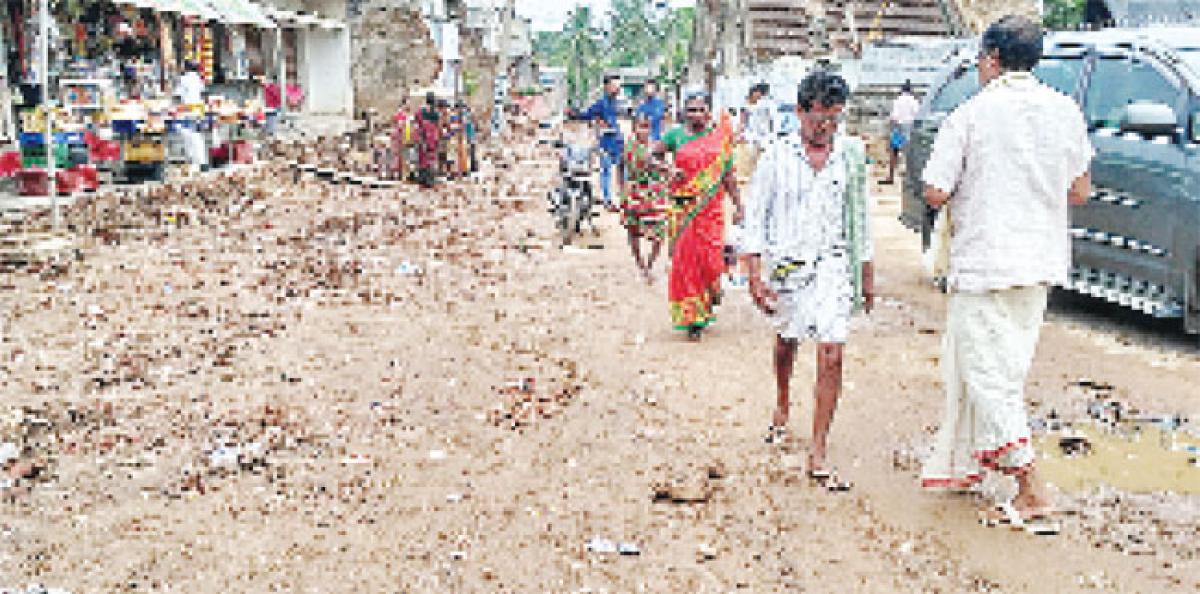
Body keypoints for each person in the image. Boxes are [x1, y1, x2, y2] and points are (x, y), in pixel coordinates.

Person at [919, 16, 1092, 532]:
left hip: (985, 262)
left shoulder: (970, 115)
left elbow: (935, 191)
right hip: (1038, 261)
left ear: (991, 57)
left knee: (985, 375)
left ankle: (1032, 487)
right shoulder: (1065, 111)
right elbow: (1079, 191)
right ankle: (972, 466)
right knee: (1003, 371)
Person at [741, 71, 874, 491]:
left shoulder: (849, 158)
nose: (826, 129)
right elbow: (755, 217)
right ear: (800, 112)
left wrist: (865, 273)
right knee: (787, 341)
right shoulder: (776, 157)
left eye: (834, 120)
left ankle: (817, 447)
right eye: (819, 119)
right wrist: (753, 274)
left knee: (832, 353)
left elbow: (861, 218)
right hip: (787, 267)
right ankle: (782, 401)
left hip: (833, 265)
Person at [659, 91, 741, 341]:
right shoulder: (675, 135)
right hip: (684, 210)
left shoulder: (720, 140)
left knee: (711, 261)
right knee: (687, 263)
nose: (695, 114)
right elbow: (652, 155)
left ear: (709, 112)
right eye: (690, 109)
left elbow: (727, 175)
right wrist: (668, 169)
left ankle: (710, 295)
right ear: (684, 111)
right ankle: (694, 320)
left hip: (711, 211)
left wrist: (739, 205)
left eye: (700, 109)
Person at [619, 114, 669, 284]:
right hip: (634, 193)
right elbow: (621, 165)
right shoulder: (629, 147)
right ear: (634, 128)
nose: (644, 131)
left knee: (659, 232)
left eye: (646, 126)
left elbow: (659, 165)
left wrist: (666, 178)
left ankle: (649, 264)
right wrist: (621, 188)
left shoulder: (656, 146)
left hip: (653, 194)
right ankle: (640, 264)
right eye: (640, 126)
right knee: (633, 231)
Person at [570, 75, 624, 211]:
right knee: (606, 171)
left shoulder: (616, 103)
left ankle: (622, 199)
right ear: (606, 87)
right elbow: (587, 115)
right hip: (605, 142)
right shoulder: (601, 104)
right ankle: (608, 200)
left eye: (618, 86)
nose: (617, 89)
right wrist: (574, 114)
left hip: (617, 142)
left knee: (622, 170)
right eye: (614, 85)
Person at [882, 80, 920, 185]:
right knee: (909, 154)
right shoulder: (914, 101)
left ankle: (890, 176)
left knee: (894, 152)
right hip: (909, 127)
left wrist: (890, 127)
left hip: (898, 127)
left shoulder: (898, 100)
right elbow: (917, 115)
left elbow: (894, 116)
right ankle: (909, 178)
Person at [174, 61, 208, 170]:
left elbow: (177, 95)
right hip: (198, 110)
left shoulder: (183, 79)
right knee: (197, 135)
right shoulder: (198, 79)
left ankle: (193, 161)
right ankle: (201, 161)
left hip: (188, 110)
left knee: (187, 133)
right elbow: (202, 93)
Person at [416, 93, 442, 188]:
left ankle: (423, 179)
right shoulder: (435, 113)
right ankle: (430, 180)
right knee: (431, 158)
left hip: (423, 136)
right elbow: (438, 126)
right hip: (432, 137)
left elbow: (417, 123)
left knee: (423, 158)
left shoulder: (420, 111)